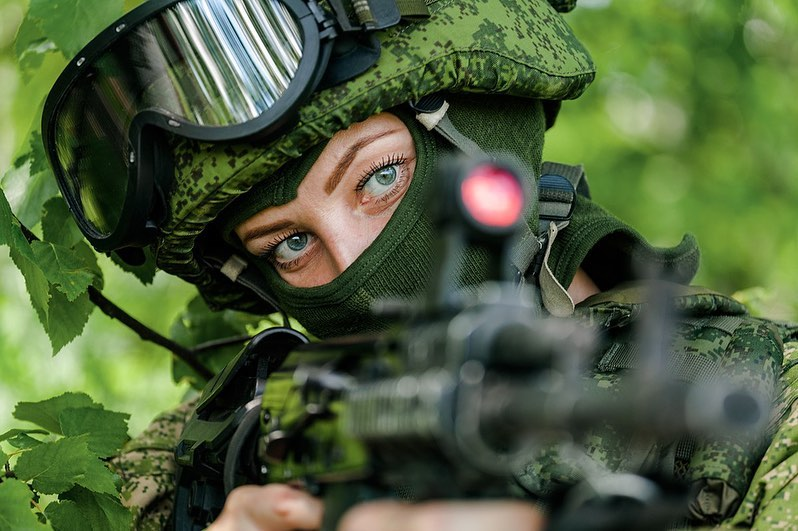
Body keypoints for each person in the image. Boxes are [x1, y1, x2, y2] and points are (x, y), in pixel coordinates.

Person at [40, 0, 798, 529]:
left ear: (486, 129)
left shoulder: (772, 399)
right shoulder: (207, 446)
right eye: (290, 244)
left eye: (378, 177)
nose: (355, 264)